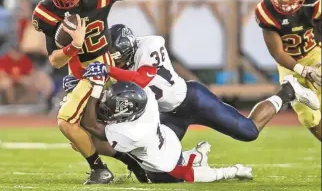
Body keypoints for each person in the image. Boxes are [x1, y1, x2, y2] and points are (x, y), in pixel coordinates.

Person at [81, 24, 320, 144]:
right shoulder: (115, 60)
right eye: (115, 59)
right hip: (167, 114)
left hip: (192, 99)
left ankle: (287, 91)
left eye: (120, 57)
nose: (118, 62)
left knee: (248, 132)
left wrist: (108, 70)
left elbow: (142, 79)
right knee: (157, 173)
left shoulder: (150, 45)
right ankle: (198, 163)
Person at [32, 0, 150, 184]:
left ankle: (100, 170)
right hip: (76, 72)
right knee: (80, 136)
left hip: (101, 68)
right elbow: (55, 61)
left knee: (66, 121)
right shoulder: (46, 11)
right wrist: (75, 45)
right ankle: (132, 162)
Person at [78, 79, 254, 183]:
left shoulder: (133, 133)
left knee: (197, 176)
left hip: (164, 171)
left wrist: (95, 87)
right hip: (168, 143)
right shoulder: (146, 98)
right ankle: (196, 155)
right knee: (178, 158)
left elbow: (90, 125)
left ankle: (235, 170)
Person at [254, 0, 321, 141]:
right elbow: (277, 52)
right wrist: (303, 71)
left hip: (315, 54)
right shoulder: (266, 11)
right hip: (290, 64)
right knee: (308, 117)